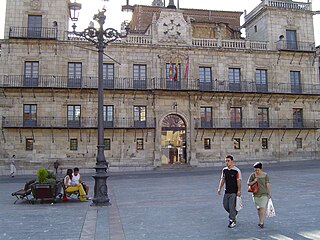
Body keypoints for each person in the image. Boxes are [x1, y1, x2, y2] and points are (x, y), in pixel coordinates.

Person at [217, 155, 242, 228]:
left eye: (228, 161)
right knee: (225, 205)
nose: (227, 162)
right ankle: (234, 213)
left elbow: (239, 181)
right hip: (227, 191)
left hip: (234, 191)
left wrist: (239, 190)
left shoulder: (236, 171)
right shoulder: (224, 170)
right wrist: (219, 188)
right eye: (226, 161)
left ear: (232, 161)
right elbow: (222, 179)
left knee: (231, 206)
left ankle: (232, 220)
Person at [247, 162, 271, 228]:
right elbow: (248, 183)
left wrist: (269, 193)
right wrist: (254, 181)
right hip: (256, 194)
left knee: (262, 208)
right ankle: (260, 220)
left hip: (264, 194)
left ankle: (261, 222)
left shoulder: (265, 175)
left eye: (258, 170)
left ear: (261, 169)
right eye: (255, 170)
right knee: (258, 209)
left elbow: (267, 184)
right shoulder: (253, 175)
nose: (257, 171)